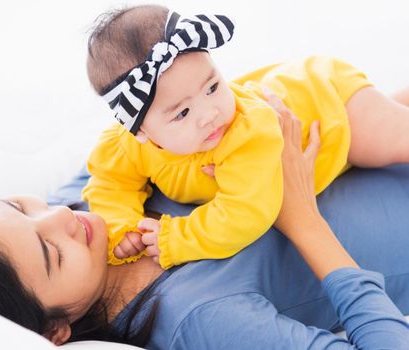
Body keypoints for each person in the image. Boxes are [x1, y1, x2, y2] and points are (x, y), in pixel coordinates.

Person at [0, 99, 409, 349]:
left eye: (20, 208)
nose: (63, 217)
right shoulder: (198, 320)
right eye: (52, 254)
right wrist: (301, 221)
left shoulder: (83, 201)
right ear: (55, 331)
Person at [82, 4, 409, 269]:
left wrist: (177, 237)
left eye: (212, 87)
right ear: (140, 130)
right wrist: (120, 226)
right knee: (390, 112)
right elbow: (109, 183)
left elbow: (246, 212)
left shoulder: (247, 131)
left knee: (396, 138)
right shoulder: (125, 147)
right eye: (182, 113)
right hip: (313, 104)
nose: (209, 113)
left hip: (329, 108)